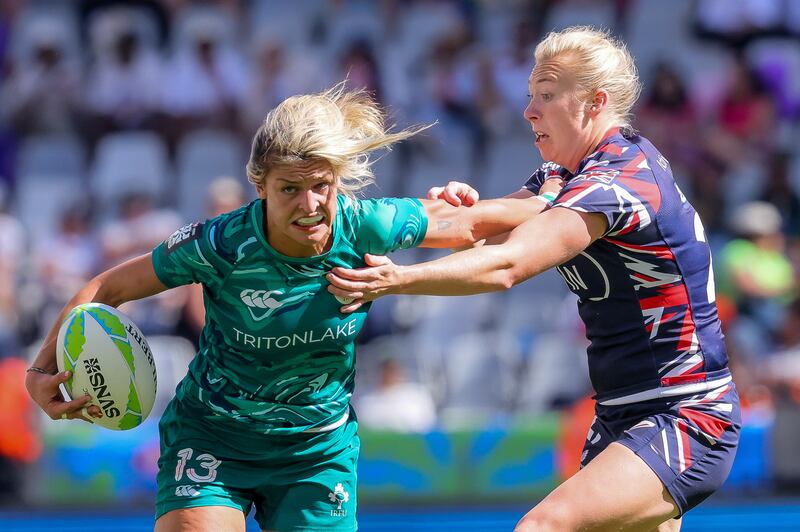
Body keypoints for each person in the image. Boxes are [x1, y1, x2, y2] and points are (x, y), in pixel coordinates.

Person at [24, 84, 560, 532]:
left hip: (316, 449)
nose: (309, 206)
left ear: (339, 181)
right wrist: (42, 370)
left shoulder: (367, 224)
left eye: (322, 186)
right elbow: (104, 288)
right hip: (214, 437)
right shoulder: (220, 243)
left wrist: (558, 188)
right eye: (289, 189)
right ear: (259, 186)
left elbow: (478, 223)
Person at [327, 27, 741, 532]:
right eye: (529, 95)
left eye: (546, 95)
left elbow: (508, 265)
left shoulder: (618, 182)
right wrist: (341, 223)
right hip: (623, 414)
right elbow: (475, 227)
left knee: (543, 526)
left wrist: (395, 280)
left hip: (685, 416)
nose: (529, 110)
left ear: (596, 102)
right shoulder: (562, 175)